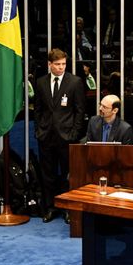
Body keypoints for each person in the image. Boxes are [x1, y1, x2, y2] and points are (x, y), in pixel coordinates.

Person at [34, 48, 86, 222]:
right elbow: (38, 110)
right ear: (49, 64)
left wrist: (74, 134)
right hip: (46, 136)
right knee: (47, 174)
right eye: (57, 64)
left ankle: (67, 209)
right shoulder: (40, 82)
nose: (61, 67)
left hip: (67, 137)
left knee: (67, 174)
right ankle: (50, 207)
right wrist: (39, 131)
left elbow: (80, 111)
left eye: (63, 64)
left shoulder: (75, 82)